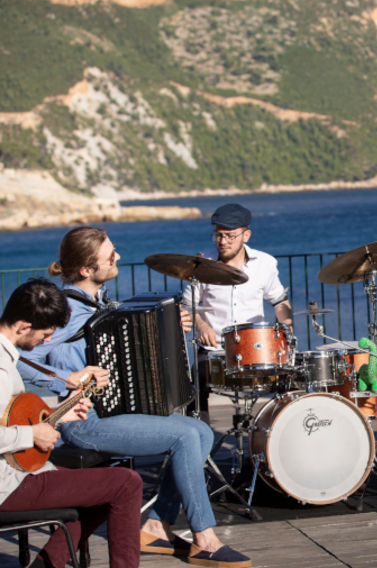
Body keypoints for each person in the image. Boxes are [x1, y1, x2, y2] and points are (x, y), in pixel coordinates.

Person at [16, 227, 252, 568]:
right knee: (186, 434)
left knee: (200, 431)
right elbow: (20, 358)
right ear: (86, 269)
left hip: (112, 413)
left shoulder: (101, 303)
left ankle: (156, 525)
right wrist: (65, 379)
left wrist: (172, 324)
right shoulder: (65, 311)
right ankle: (206, 539)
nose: (118, 258)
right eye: (111, 255)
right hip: (84, 421)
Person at [0, 278, 143, 568]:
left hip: (17, 475)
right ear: (23, 326)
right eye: (46, 333)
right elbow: (19, 431)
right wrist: (32, 435)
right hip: (10, 486)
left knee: (106, 487)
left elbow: (9, 415)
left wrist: (60, 412)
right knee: (127, 483)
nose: (49, 341)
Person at [183, 203, 292, 416]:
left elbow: (280, 302)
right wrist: (202, 325)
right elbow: (188, 306)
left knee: (290, 380)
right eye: (218, 235)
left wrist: (287, 329)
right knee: (194, 386)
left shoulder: (265, 263)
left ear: (246, 235)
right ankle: (200, 442)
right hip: (214, 350)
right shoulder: (201, 263)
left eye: (230, 236)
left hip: (256, 348)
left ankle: (276, 438)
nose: (223, 242)